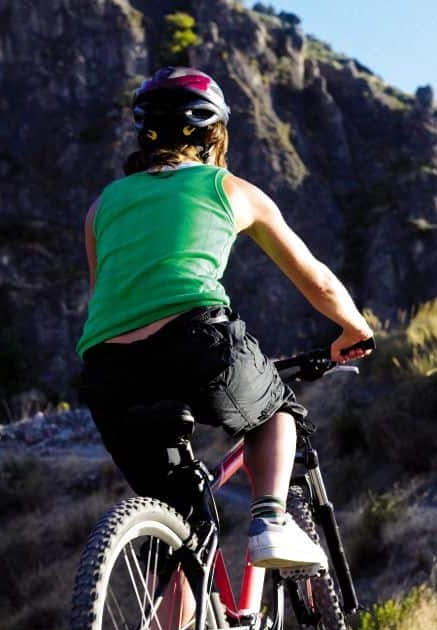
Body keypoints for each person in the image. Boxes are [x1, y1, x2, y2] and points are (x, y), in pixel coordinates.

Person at [77, 66, 374, 574]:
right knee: (276, 409)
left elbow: (106, 295)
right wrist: (355, 329)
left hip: (108, 371)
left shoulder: (102, 206)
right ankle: (272, 520)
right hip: (196, 341)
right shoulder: (230, 188)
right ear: (215, 133)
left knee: (182, 530)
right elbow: (318, 282)